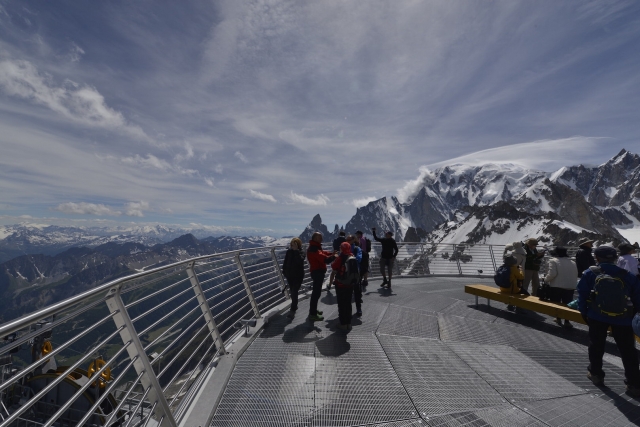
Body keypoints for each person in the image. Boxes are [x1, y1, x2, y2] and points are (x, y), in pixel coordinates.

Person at [577, 246, 640, 397]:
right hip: (623, 319)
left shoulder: (590, 273)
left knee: (596, 346)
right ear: (614, 258)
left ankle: (596, 374)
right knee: (627, 351)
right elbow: (638, 299)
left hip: (596, 316)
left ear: (597, 258)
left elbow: (582, 295)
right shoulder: (628, 276)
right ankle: (634, 384)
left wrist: (585, 313)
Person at [544, 246, 578, 328]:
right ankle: (567, 321)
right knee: (567, 304)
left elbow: (552, 274)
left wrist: (545, 280)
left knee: (557, 303)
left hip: (557, 286)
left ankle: (558, 318)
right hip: (570, 286)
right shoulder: (572, 262)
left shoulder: (553, 261)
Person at [306, 232, 335, 321]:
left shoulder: (315, 247)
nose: (321, 239)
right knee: (316, 293)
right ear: (315, 238)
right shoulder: (314, 249)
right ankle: (312, 314)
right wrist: (334, 256)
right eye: (320, 237)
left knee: (316, 292)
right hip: (317, 272)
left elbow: (323, 253)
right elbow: (324, 259)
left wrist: (332, 253)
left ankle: (313, 310)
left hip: (317, 272)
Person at [331, 242, 359, 330]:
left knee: (341, 304)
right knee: (348, 303)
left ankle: (343, 324)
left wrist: (335, 257)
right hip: (350, 284)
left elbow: (333, 266)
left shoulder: (341, 257)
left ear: (342, 248)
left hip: (341, 284)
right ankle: (348, 323)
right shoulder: (352, 256)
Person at [282, 238, 306, 319]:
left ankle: (292, 310)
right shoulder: (288, 252)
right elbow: (285, 261)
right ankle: (294, 306)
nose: (292, 246)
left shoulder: (302, 252)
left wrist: (296, 251)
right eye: (291, 244)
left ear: (298, 245)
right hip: (289, 276)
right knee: (292, 292)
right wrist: (284, 271)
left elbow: (300, 261)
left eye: (294, 244)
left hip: (298, 276)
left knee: (294, 292)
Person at [347, 235, 363, 317]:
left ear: (353, 240)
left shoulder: (357, 249)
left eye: (350, 239)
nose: (348, 240)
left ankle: (358, 309)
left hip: (356, 273)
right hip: (347, 274)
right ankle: (348, 311)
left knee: (357, 292)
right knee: (348, 293)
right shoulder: (345, 248)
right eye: (347, 239)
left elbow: (359, 259)